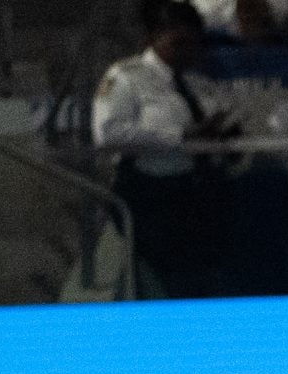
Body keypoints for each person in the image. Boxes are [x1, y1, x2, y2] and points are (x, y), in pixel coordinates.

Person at [91, 0, 240, 297]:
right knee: (166, 280)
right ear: (154, 37)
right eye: (178, 43)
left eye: (193, 43)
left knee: (207, 275)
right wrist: (179, 136)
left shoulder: (197, 82)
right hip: (152, 193)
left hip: (198, 190)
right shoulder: (126, 76)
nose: (187, 51)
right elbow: (108, 133)